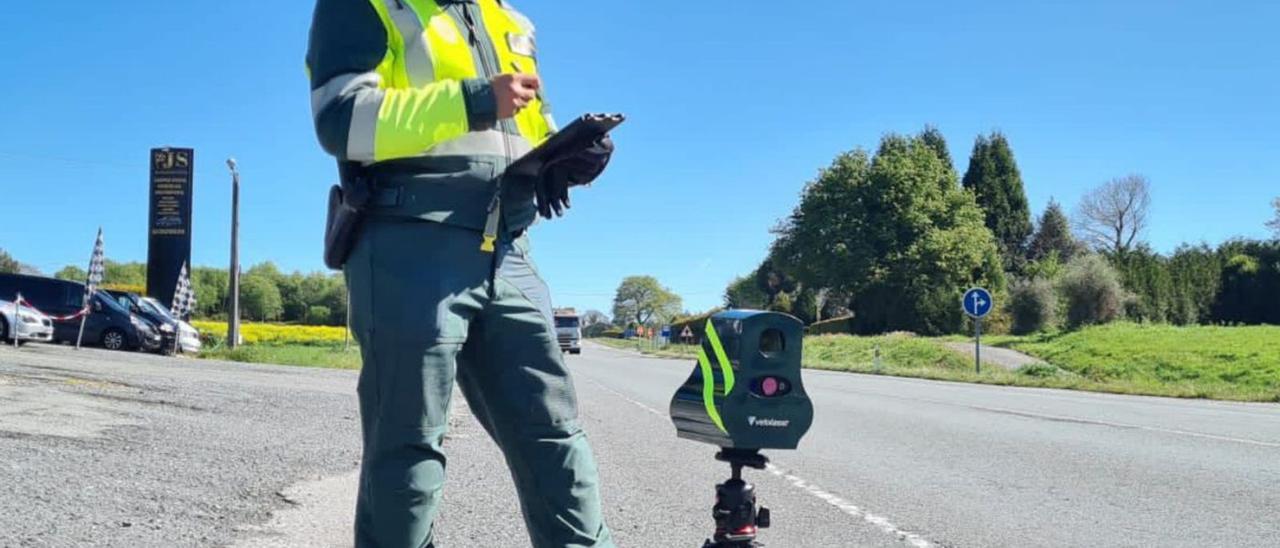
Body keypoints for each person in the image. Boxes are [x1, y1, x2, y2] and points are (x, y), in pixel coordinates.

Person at [306, 1, 616, 547]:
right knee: (409, 440)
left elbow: (526, 123)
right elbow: (342, 121)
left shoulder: (507, 19)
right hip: (410, 237)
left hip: (509, 247)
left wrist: (565, 156)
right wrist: (473, 100)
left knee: (554, 432)